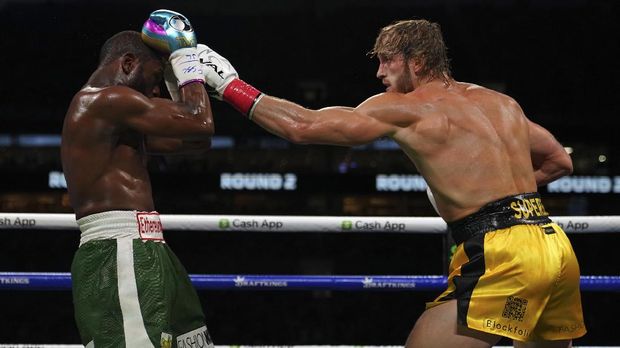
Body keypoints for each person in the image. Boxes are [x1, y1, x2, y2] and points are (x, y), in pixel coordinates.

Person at [196, 19, 585, 347]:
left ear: (416, 62)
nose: (379, 73)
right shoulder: (501, 103)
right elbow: (559, 161)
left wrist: (229, 85)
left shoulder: (406, 107)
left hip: (504, 253)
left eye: (387, 61)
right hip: (553, 244)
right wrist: (494, 197)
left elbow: (303, 126)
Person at [61, 10, 215, 347]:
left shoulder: (120, 123)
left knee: (193, 340)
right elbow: (199, 121)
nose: (157, 90)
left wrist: (179, 79)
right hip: (118, 249)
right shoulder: (104, 100)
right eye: (157, 77)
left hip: (146, 247)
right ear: (128, 64)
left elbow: (196, 140)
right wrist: (187, 59)